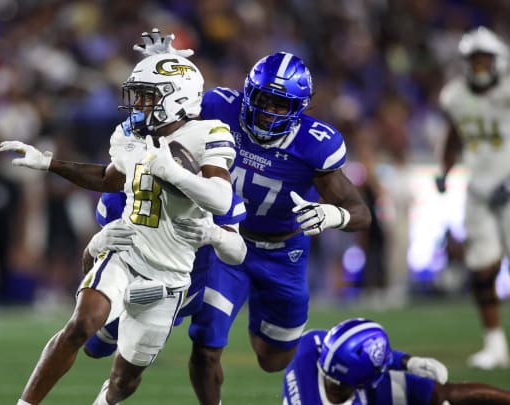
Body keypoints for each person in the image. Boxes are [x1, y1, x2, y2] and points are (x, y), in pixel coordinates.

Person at [133, 29, 372, 404]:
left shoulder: (315, 145)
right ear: (248, 93)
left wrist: (331, 215)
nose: (268, 111)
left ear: (299, 109)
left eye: (281, 105)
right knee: (207, 344)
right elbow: (165, 112)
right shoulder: (217, 107)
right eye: (263, 99)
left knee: (273, 360)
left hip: (283, 253)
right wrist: (161, 68)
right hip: (226, 243)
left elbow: (361, 212)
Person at [0, 52, 238, 405]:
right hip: (127, 250)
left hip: (170, 277)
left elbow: (220, 199)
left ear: (179, 97)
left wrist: (173, 172)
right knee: (82, 324)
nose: (139, 104)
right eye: (138, 94)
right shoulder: (132, 135)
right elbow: (108, 178)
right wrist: (50, 163)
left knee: (124, 380)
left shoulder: (209, 134)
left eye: (148, 95)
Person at [82, 191, 247, 358]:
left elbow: (238, 255)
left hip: (185, 292)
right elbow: (103, 258)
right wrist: (95, 246)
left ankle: (120, 376)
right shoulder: (121, 196)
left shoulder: (217, 196)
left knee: (131, 366)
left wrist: (216, 235)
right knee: (95, 348)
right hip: (133, 287)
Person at [436, 25, 510, 369]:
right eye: (474, 60)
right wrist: (445, 169)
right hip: (479, 190)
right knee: (481, 269)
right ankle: (495, 344)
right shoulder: (455, 95)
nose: (479, 67)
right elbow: (454, 134)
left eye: (484, 60)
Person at [283, 317, 510, 404]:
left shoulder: (311, 345)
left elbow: (354, 353)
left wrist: (409, 362)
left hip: (348, 385)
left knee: (437, 394)